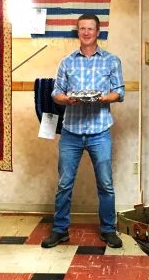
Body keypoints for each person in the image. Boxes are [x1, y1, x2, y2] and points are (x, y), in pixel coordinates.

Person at [41, 13, 125, 249]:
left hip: (100, 131)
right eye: (82, 29)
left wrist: (100, 98)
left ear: (98, 32)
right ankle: (60, 230)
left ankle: (109, 230)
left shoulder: (111, 61)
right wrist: (66, 100)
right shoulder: (66, 62)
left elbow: (119, 92)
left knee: (105, 184)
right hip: (71, 132)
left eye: (90, 29)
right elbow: (56, 93)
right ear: (78, 32)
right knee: (65, 183)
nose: (86, 32)